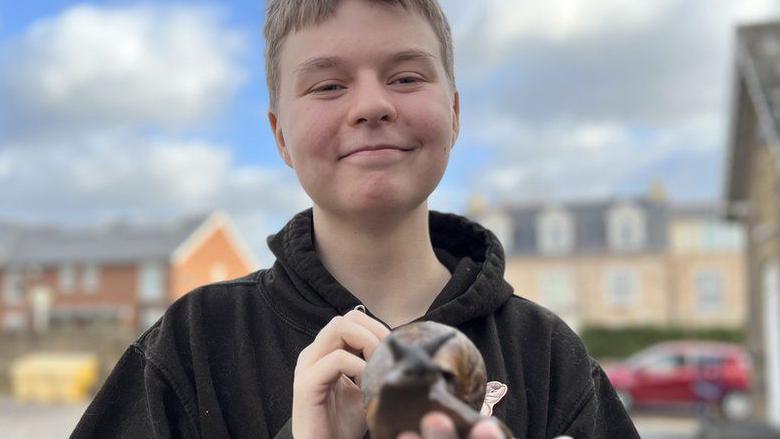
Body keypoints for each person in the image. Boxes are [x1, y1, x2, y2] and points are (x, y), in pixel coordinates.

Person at [71, 0, 640, 438]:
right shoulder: (193, 347)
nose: (371, 104)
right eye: (328, 85)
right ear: (280, 137)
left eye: (406, 77)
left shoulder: (547, 357)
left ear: (454, 113)